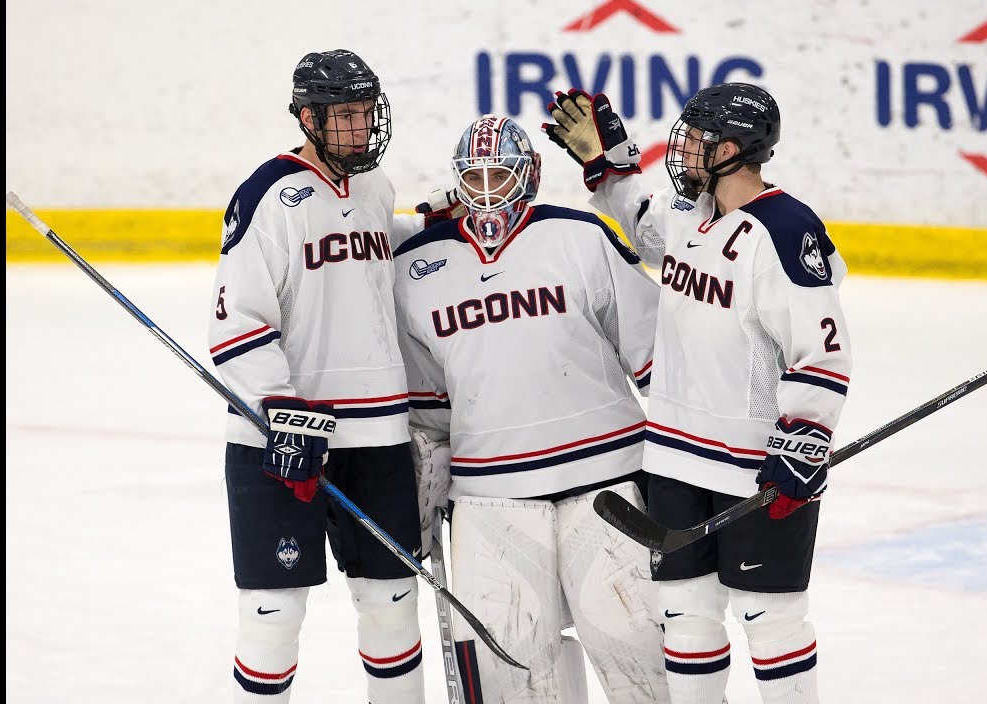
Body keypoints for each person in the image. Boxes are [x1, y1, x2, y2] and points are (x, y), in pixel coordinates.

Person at [543, 84, 853, 704]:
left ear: (733, 151)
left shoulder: (784, 230)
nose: (682, 150)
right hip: (675, 457)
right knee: (686, 615)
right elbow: (639, 219)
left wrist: (807, 434)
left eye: (698, 141)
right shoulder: (690, 211)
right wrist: (608, 168)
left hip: (756, 463)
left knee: (771, 620)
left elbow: (822, 350)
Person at [393, 115, 671, 703]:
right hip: (490, 495)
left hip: (606, 482)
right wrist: (425, 479)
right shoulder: (416, 268)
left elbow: (655, 357)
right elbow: (428, 410)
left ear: (532, 176)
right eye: (476, 176)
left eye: (502, 174)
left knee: (638, 650)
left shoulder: (581, 237)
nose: (488, 191)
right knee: (512, 669)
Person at [207, 49, 429, 703]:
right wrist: (280, 407)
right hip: (280, 440)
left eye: (367, 113)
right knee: (273, 616)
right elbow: (237, 317)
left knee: (391, 604)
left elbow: (366, 248)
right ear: (308, 117)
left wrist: (430, 225)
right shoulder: (267, 195)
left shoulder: (373, 185)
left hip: (378, 435)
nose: (361, 128)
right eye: (346, 115)